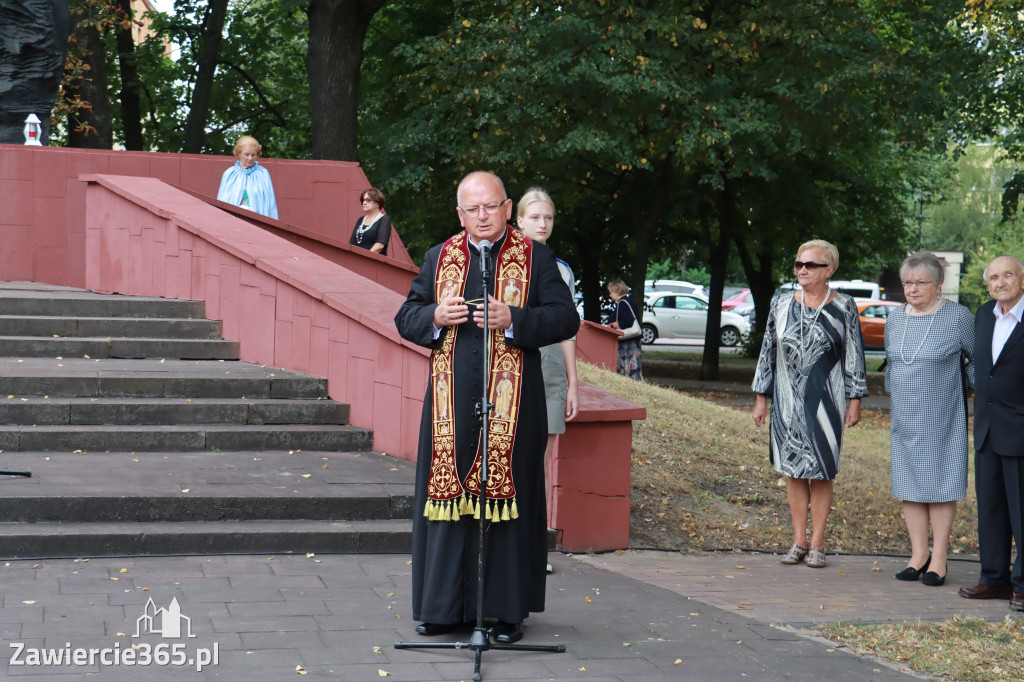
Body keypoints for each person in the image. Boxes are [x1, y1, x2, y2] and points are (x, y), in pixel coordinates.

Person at [394, 171, 579, 644]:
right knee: (448, 502)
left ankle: (505, 612)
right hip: (450, 406)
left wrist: (514, 319)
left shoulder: (536, 256)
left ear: (506, 206)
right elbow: (406, 315)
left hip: (514, 409)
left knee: (511, 501)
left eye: (491, 207)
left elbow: (565, 318)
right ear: (459, 213)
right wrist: (434, 315)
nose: (481, 217)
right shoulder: (440, 257)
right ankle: (443, 608)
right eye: (472, 209)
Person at [751, 239, 867, 569]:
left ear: (829, 270)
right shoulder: (782, 304)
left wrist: (855, 398)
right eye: (799, 264)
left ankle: (818, 542)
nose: (803, 270)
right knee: (794, 470)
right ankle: (798, 540)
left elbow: (854, 355)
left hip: (827, 400)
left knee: (823, 471)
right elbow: (767, 353)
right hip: (786, 401)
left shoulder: (844, 306)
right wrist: (762, 398)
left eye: (811, 265)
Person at [884, 251, 974, 587]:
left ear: (938, 285)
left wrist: (962, 389)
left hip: (943, 416)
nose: (913, 288)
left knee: (940, 486)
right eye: (907, 283)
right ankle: (918, 555)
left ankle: (939, 559)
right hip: (905, 416)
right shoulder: (895, 319)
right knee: (910, 486)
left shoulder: (957, 316)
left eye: (921, 282)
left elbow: (977, 361)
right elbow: (893, 365)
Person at [958, 255, 1024, 611]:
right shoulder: (984, 314)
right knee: (992, 508)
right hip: (986, 428)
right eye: (994, 278)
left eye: (1008, 275)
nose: (1000, 283)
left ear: (1022, 279)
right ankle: (994, 579)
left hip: (1021, 428)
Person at [515, 188, 579, 522]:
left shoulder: (561, 270)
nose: (543, 224)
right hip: (510, 368)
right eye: (536, 217)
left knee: (541, 459)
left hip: (550, 368)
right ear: (519, 220)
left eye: (549, 218)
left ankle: (534, 544)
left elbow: (567, 329)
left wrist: (572, 383)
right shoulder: (503, 264)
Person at [216, 135, 278, 219]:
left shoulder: (263, 173)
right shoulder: (229, 174)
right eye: (246, 154)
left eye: (253, 155)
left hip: (256, 222)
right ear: (238, 153)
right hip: (232, 221)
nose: (250, 158)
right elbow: (222, 202)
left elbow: (269, 205)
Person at [607, 280, 644, 381]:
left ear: (617, 291)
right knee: (634, 367)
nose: (610, 295)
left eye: (611, 292)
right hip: (633, 341)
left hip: (627, 343)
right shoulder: (629, 301)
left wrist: (612, 325)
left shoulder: (622, 303)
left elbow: (627, 322)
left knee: (628, 366)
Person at [349, 188, 393, 255]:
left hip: (372, 262)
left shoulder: (385, 219)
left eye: (368, 200)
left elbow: (380, 245)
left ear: (378, 203)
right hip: (357, 261)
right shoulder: (360, 220)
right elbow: (352, 243)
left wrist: (365, 258)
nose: (364, 203)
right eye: (363, 200)